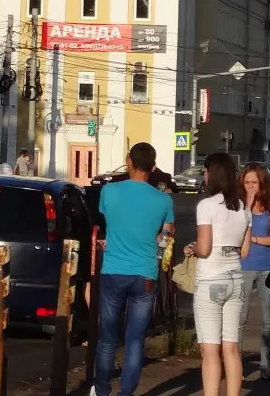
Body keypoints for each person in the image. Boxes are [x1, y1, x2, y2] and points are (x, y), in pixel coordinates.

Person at [93, 142, 176, 396]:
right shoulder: (163, 200)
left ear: (129, 161)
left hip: (113, 270)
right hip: (145, 275)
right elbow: (167, 237)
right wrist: (155, 250)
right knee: (135, 340)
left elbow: (105, 221)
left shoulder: (109, 191)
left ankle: (102, 389)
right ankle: (126, 393)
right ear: (152, 166)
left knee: (107, 338)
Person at [185, 153, 251, 396]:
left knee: (210, 351)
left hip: (211, 280)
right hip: (236, 279)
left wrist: (191, 248)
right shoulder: (244, 208)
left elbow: (204, 248)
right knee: (231, 349)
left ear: (211, 174)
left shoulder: (207, 206)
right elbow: (244, 251)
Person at [238, 164, 270, 382]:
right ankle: (235, 365)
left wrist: (254, 239)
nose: (250, 187)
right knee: (240, 318)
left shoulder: (269, 209)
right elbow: (234, 234)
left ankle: (266, 365)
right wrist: (245, 206)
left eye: (254, 183)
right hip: (243, 267)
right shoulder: (237, 206)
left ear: (261, 184)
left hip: (266, 266)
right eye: (246, 183)